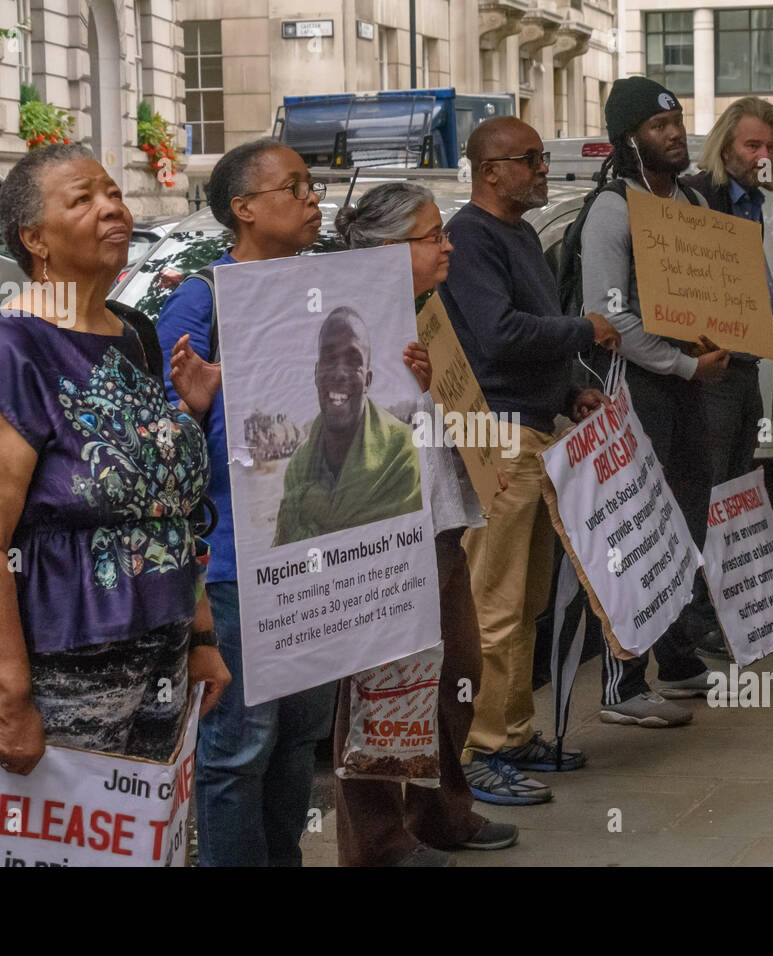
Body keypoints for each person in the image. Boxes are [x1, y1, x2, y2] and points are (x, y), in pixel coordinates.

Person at [0, 143, 229, 775]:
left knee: (147, 846)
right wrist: (14, 701)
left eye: (115, 194)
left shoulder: (135, 334)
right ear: (34, 239)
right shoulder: (7, 352)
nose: (112, 209)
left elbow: (167, 506)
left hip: (164, 651)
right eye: (83, 199)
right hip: (60, 669)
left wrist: (201, 638)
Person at [325, 180, 519, 865]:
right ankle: (378, 843)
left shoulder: (424, 309)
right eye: (432, 235)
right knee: (381, 689)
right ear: (385, 250)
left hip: (436, 520)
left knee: (457, 672)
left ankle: (441, 811)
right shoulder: (345, 320)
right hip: (380, 535)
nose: (447, 245)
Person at [156, 140, 336, 866]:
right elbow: (162, 449)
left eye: (311, 184)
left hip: (315, 553)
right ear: (245, 209)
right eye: (292, 187)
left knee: (297, 738)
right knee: (239, 748)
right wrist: (197, 407)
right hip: (235, 561)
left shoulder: (328, 289)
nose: (312, 197)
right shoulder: (202, 300)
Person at [439, 116, 620, 804]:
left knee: (529, 599)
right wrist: (586, 330)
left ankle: (513, 732)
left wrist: (570, 389)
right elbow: (498, 333)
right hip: (499, 439)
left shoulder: (515, 234)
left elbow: (525, 339)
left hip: (537, 431)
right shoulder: (471, 237)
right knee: (495, 604)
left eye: (542, 159)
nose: (544, 170)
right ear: (491, 171)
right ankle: (479, 748)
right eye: (531, 160)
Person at [580, 77, 729, 725]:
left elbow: (707, 290)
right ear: (629, 139)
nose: (674, 132)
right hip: (639, 385)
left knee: (686, 513)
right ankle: (622, 680)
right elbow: (611, 319)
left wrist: (716, 343)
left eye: (678, 120)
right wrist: (684, 363)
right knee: (639, 525)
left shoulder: (690, 199)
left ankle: (678, 657)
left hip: (686, 383)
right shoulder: (615, 210)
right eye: (657, 125)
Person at [684, 95, 773, 483]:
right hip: (713, 371)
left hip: (744, 365)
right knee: (711, 483)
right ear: (725, 148)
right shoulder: (698, 196)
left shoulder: (752, 201)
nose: (764, 157)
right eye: (753, 145)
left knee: (737, 481)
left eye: (771, 147)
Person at [272, 307, 422, 545]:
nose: (340, 373)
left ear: (368, 381)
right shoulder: (299, 467)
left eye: (353, 361)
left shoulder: (403, 454)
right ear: (316, 373)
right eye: (329, 358)